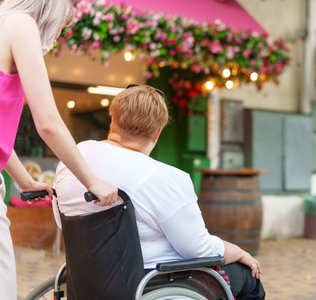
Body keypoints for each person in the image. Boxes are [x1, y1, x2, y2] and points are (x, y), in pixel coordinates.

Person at [54, 84, 266, 299]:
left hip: (86, 280)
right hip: (148, 282)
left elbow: (63, 220)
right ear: (157, 133)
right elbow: (197, 249)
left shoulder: (74, 158)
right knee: (248, 278)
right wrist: (238, 251)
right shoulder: (165, 177)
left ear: (113, 119)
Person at [0, 1, 118, 298]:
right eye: (73, 4)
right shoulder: (20, 24)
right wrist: (91, 180)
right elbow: (49, 123)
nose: (74, 15)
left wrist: (24, 180)